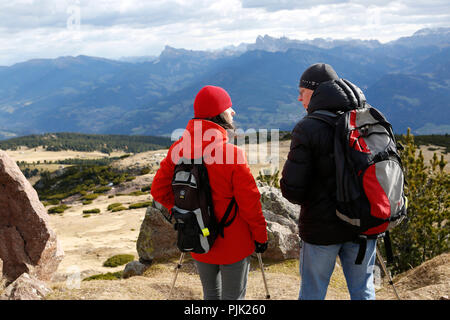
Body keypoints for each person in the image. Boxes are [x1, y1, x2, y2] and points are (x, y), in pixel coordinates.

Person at [151, 85, 268, 300]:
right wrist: (260, 237)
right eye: (228, 107)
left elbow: (158, 191)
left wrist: (184, 212)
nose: (233, 112)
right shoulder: (232, 154)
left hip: (198, 237)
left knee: (210, 296)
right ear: (219, 114)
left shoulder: (178, 148)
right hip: (234, 242)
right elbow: (250, 203)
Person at [280, 63, 377, 300]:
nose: (299, 98)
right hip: (364, 223)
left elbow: (293, 190)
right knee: (363, 290)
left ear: (315, 91)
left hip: (321, 230)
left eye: (302, 92)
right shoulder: (366, 119)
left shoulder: (308, 128)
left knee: (313, 293)